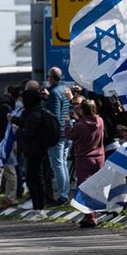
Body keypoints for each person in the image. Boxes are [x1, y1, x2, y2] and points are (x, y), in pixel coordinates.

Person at [15, 83, 61, 212]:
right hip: (38, 149)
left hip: (35, 150)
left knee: (35, 179)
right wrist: (14, 120)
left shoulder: (33, 114)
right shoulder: (34, 112)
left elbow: (28, 133)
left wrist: (18, 130)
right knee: (34, 178)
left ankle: (39, 207)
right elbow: (26, 123)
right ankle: (37, 206)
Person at [68, 99, 106, 227]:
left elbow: (71, 135)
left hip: (84, 158)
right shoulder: (100, 121)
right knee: (96, 187)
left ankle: (89, 216)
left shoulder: (80, 125)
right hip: (99, 156)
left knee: (85, 188)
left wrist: (68, 123)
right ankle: (94, 213)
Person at [45, 68, 74, 203]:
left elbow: (54, 116)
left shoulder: (54, 93)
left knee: (58, 165)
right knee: (63, 164)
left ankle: (62, 195)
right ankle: (65, 192)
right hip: (67, 130)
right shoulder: (65, 90)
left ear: (51, 78)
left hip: (58, 133)